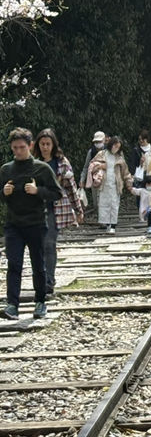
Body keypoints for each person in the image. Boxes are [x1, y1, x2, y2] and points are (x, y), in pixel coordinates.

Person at [1, 128, 62, 320]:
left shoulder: (42, 169)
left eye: (22, 147)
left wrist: (38, 191)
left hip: (36, 223)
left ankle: (40, 301)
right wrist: (4, 192)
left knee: (38, 264)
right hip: (14, 224)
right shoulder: (6, 170)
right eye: (15, 148)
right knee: (14, 264)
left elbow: (57, 193)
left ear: (30, 146)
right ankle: (12, 304)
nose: (18, 151)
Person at [34, 128, 84, 296]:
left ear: (54, 145)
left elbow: (71, 188)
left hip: (55, 210)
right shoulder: (32, 162)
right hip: (35, 210)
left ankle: (49, 281)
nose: (45, 147)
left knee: (49, 244)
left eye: (48, 144)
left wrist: (78, 209)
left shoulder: (62, 163)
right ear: (38, 145)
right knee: (38, 246)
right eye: (42, 144)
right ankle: (42, 279)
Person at [89, 136, 133, 233]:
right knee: (104, 204)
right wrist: (99, 166)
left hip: (115, 184)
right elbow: (92, 165)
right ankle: (106, 224)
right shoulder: (102, 154)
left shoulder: (120, 158)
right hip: (104, 184)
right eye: (115, 146)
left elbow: (125, 172)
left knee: (114, 204)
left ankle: (113, 225)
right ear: (111, 144)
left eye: (118, 147)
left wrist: (129, 183)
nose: (116, 148)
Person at [79, 130, 106, 211]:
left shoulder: (109, 151)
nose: (97, 143)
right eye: (96, 142)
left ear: (104, 140)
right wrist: (82, 180)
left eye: (99, 141)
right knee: (96, 203)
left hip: (106, 179)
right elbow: (86, 167)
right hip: (94, 180)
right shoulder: (91, 152)